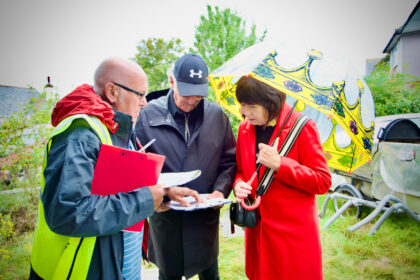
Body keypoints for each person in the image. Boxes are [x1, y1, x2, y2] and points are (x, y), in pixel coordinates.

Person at [28, 57, 199, 280]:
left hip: (116, 263)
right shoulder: (80, 135)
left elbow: (118, 191)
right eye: (139, 94)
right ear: (112, 92)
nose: (144, 102)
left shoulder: (117, 129)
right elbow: (67, 212)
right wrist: (145, 200)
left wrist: (162, 196)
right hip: (81, 269)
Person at [135, 53, 236, 280]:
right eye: (186, 93)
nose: (192, 100)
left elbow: (229, 160)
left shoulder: (217, 116)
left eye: (198, 95)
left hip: (204, 219)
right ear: (172, 82)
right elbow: (137, 166)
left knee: (210, 272)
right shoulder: (147, 114)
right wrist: (160, 193)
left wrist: (220, 191)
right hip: (166, 218)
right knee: (168, 274)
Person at [233, 76, 332, 280]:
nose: (244, 112)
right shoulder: (244, 129)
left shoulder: (303, 127)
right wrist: (239, 184)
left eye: (250, 106)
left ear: (270, 103)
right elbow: (241, 169)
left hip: (292, 236)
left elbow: (322, 181)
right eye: (242, 105)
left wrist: (281, 164)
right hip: (258, 230)